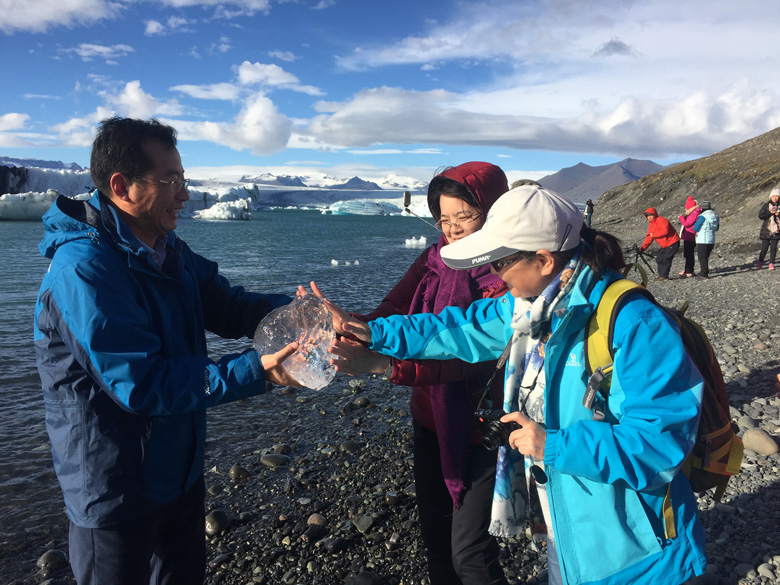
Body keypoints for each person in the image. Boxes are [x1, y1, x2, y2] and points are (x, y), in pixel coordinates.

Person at [327, 185, 706, 585]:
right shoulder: (529, 308)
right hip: (570, 531)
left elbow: (661, 443)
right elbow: (458, 327)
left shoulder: (635, 324)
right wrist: (371, 331)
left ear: (543, 260)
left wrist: (551, 445)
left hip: (638, 552)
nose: (493, 274)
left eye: (500, 262)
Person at [34, 117, 301, 585]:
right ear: (122, 186)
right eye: (171, 181)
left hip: (178, 472)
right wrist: (257, 372)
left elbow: (229, 306)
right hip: (114, 491)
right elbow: (142, 383)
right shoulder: (84, 270)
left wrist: (301, 313)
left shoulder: (166, 248)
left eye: (184, 179)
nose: (185, 194)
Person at [308, 162, 512, 585]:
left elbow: (465, 357)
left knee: (471, 555)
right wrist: (349, 327)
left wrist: (387, 365)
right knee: (436, 539)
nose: (452, 229)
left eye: (464, 216)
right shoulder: (433, 260)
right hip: (430, 416)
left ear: (493, 210)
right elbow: (394, 310)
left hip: (486, 425)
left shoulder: (509, 273)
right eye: (444, 218)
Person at [639, 207, 680, 280]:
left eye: (651, 215)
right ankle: (661, 275)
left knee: (667, 259)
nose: (649, 217)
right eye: (647, 216)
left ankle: (664, 276)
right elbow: (649, 238)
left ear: (654, 214)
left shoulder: (662, 220)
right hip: (665, 245)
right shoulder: (651, 224)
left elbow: (665, 231)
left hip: (672, 242)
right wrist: (643, 248)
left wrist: (653, 235)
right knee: (659, 259)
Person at [692, 200, 719, 279]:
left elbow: (695, 228)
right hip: (711, 239)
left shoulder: (703, 216)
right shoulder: (715, 215)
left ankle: (704, 273)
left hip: (702, 239)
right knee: (705, 256)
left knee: (702, 257)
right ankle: (704, 272)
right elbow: (717, 228)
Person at [757, 187, 780, 270]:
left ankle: (771, 263)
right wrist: (770, 213)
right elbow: (760, 216)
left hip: (777, 230)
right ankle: (760, 262)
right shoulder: (766, 206)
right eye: (773, 196)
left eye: (777, 196)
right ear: (770, 197)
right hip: (766, 229)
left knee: (773, 248)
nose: (775, 198)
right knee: (764, 248)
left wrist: (778, 214)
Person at [678, 196, 701, 277]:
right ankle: (688, 269)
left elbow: (687, 224)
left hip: (690, 236)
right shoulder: (695, 213)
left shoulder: (694, 214)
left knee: (689, 254)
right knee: (688, 254)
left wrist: (681, 218)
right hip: (689, 236)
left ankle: (689, 271)